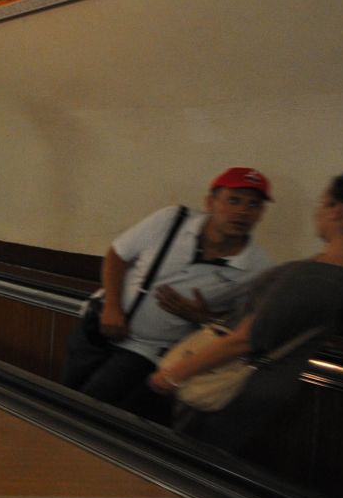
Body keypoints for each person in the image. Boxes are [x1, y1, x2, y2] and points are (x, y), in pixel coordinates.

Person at [150, 169, 343, 454]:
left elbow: (244, 339)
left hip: (230, 386)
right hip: (270, 385)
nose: (318, 214)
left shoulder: (313, 276)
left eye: (323, 204)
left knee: (192, 460)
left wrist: (174, 374)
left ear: (340, 212)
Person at [61, 168, 275, 421]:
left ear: (260, 214)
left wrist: (201, 316)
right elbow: (117, 254)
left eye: (253, 205)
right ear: (211, 202)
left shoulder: (256, 267)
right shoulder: (172, 220)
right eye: (234, 200)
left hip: (148, 350)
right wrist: (113, 308)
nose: (242, 212)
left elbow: (235, 325)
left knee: (88, 410)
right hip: (99, 326)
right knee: (66, 396)